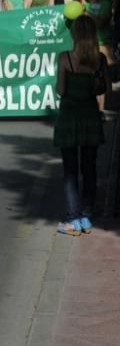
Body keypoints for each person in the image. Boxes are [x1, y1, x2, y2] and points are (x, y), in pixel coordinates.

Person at [53, 15, 106, 236]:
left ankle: (72, 219)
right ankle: (86, 215)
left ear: (75, 34)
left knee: (70, 171)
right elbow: (103, 90)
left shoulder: (65, 58)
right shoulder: (100, 59)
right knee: (90, 168)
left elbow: (61, 90)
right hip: (90, 116)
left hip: (69, 117)